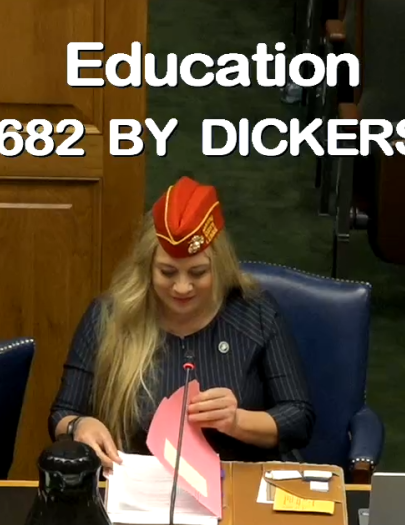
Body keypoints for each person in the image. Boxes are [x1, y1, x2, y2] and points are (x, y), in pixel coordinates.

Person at [48, 176, 315, 470]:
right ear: (147, 268)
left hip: (239, 487)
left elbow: (298, 419)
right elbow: (63, 413)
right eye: (168, 272)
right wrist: (79, 426)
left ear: (219, 266)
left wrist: (237, 421)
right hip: (140, 488)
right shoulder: (109, 316)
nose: (182, 287)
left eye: (198, 273)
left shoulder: (255, 312)